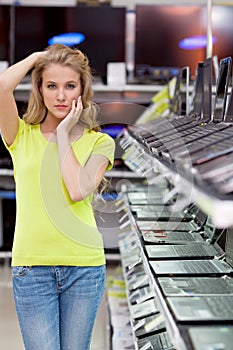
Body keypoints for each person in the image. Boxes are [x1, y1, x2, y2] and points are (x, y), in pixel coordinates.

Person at [0, 43, 115, 350]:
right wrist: (38, 58)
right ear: (39, 89)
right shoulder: (20, 135)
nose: (61, 96)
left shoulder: (100, 143)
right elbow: (1, 85)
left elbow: (78, 190)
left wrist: (64, 134)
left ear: (82, 90)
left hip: (84, 268)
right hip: (31, 269)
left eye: (69, 86)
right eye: (51, 85)